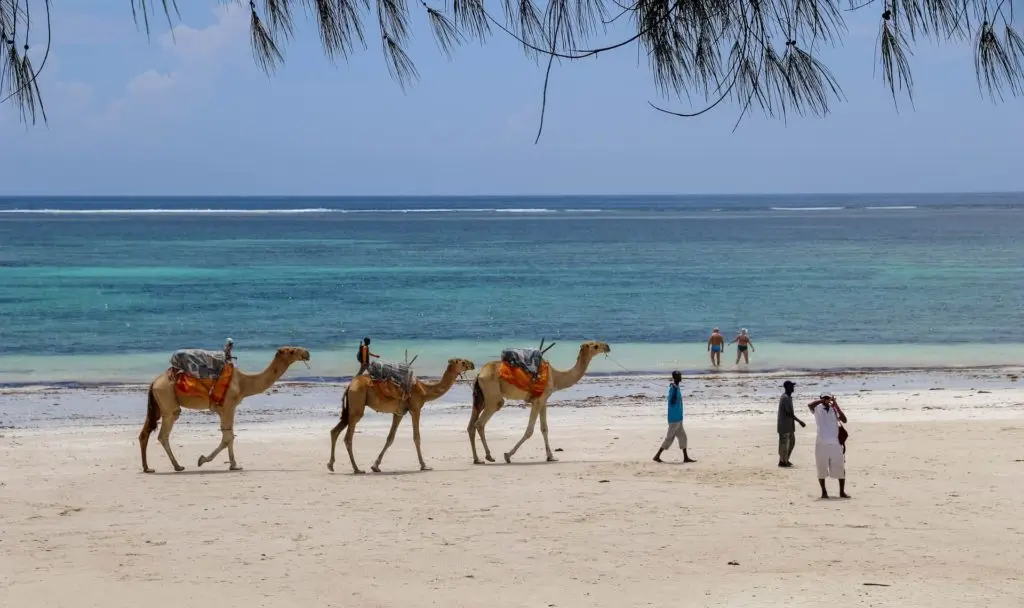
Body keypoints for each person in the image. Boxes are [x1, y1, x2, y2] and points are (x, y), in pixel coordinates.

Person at [808, 393, 849, 498]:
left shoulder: (834, 409)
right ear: (821, 399)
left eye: (828, 398)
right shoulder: (817, 409)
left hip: (835, 443)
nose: (827, 400)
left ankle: (842, 492)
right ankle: (824, 492)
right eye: (824, 398)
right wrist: (821, 401)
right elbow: (810, 405)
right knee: (821, 468)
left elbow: (844, 420)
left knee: (840, 467)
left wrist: (836, 404)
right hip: (821, 443)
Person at [653, 370, 696, 463]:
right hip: (674, 418)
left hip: (678, 417)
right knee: (669, 438)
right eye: (679, 376)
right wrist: (675, 390)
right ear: (675, 377)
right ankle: (657, 456)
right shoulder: (673, 388)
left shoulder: (676, 387)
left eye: (680, 375)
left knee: (683, 437)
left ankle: (685, 458)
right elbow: (672, 401)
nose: (681, 377)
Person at [777, 380, 806, 467]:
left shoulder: (789, 397)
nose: (793, 388)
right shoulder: (785, 397)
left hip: (789, 425)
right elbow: (788, 413)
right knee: (784, 444)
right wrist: (799, 421)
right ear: (787, 387)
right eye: (791, 386)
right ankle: (782, 462)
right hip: (784, 425)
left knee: (791, 443)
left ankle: (786, 460)